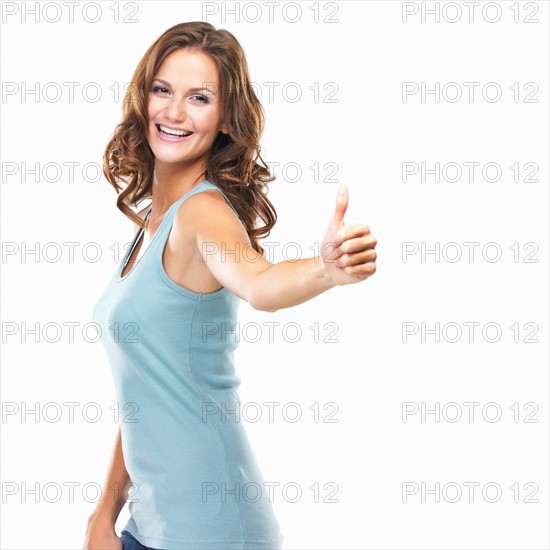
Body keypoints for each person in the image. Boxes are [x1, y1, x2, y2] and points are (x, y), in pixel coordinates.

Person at [84, 21, 377, 550]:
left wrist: (325, 268)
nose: (174, 113)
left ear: (224, 120)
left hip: (212, 530)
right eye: (162, 90)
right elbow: (145, 395)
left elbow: (259, 281)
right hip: (146, 527)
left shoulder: (201, 214)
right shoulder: (151, 227)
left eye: (199, 98)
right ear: (142, 96)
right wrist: (102, 513)